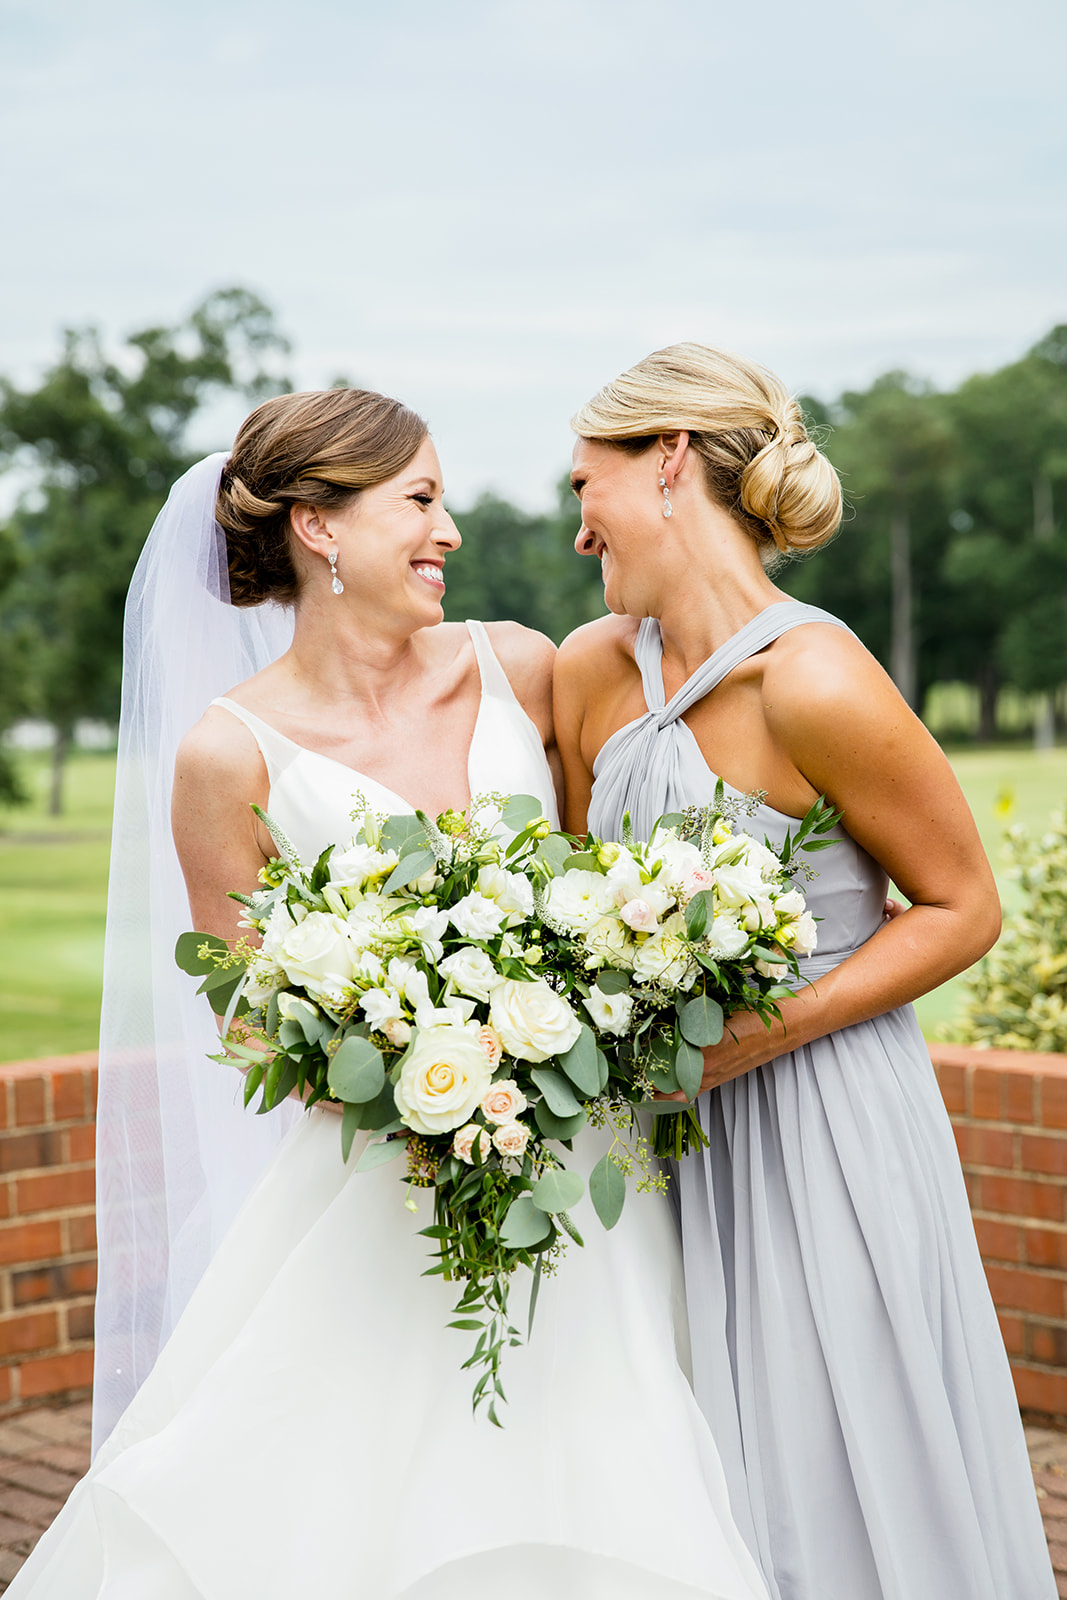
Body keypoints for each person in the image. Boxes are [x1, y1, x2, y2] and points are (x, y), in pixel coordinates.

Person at [11, 387, 770, 1599]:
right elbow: (242, 1013)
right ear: (318, 526)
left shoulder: (521, 666)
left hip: (581, 1176)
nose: (448, 530)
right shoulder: (226, 755)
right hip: (387, 1183)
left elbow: (600, 886)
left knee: (608, 1469)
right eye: (418, 499)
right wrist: (413, 1068)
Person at [553, 341, 1056, 1600]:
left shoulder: (814, 679)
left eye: (584, 485)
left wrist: (765, 1031)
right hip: (658, 1140)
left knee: (842, 1453)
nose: (578, 527)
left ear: (667, 461)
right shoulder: (586, 672)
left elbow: (961, 907)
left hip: (825, 1116)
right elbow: (568, 908)